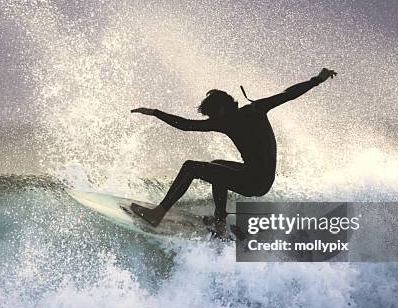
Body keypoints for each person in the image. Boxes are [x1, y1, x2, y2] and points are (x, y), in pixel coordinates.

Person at [130, 68, 337, 237]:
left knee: (191, 167)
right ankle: (219, 221)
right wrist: (317, 79)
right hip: (263, 180)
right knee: (216, 164)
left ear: (220, 110)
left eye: (211, 115)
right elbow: (289, 94)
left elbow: (186, 125)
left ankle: (158, 213)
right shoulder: (256, 108)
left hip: (252, 181)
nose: (210, 119)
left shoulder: (226, 122)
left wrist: (155, 112)